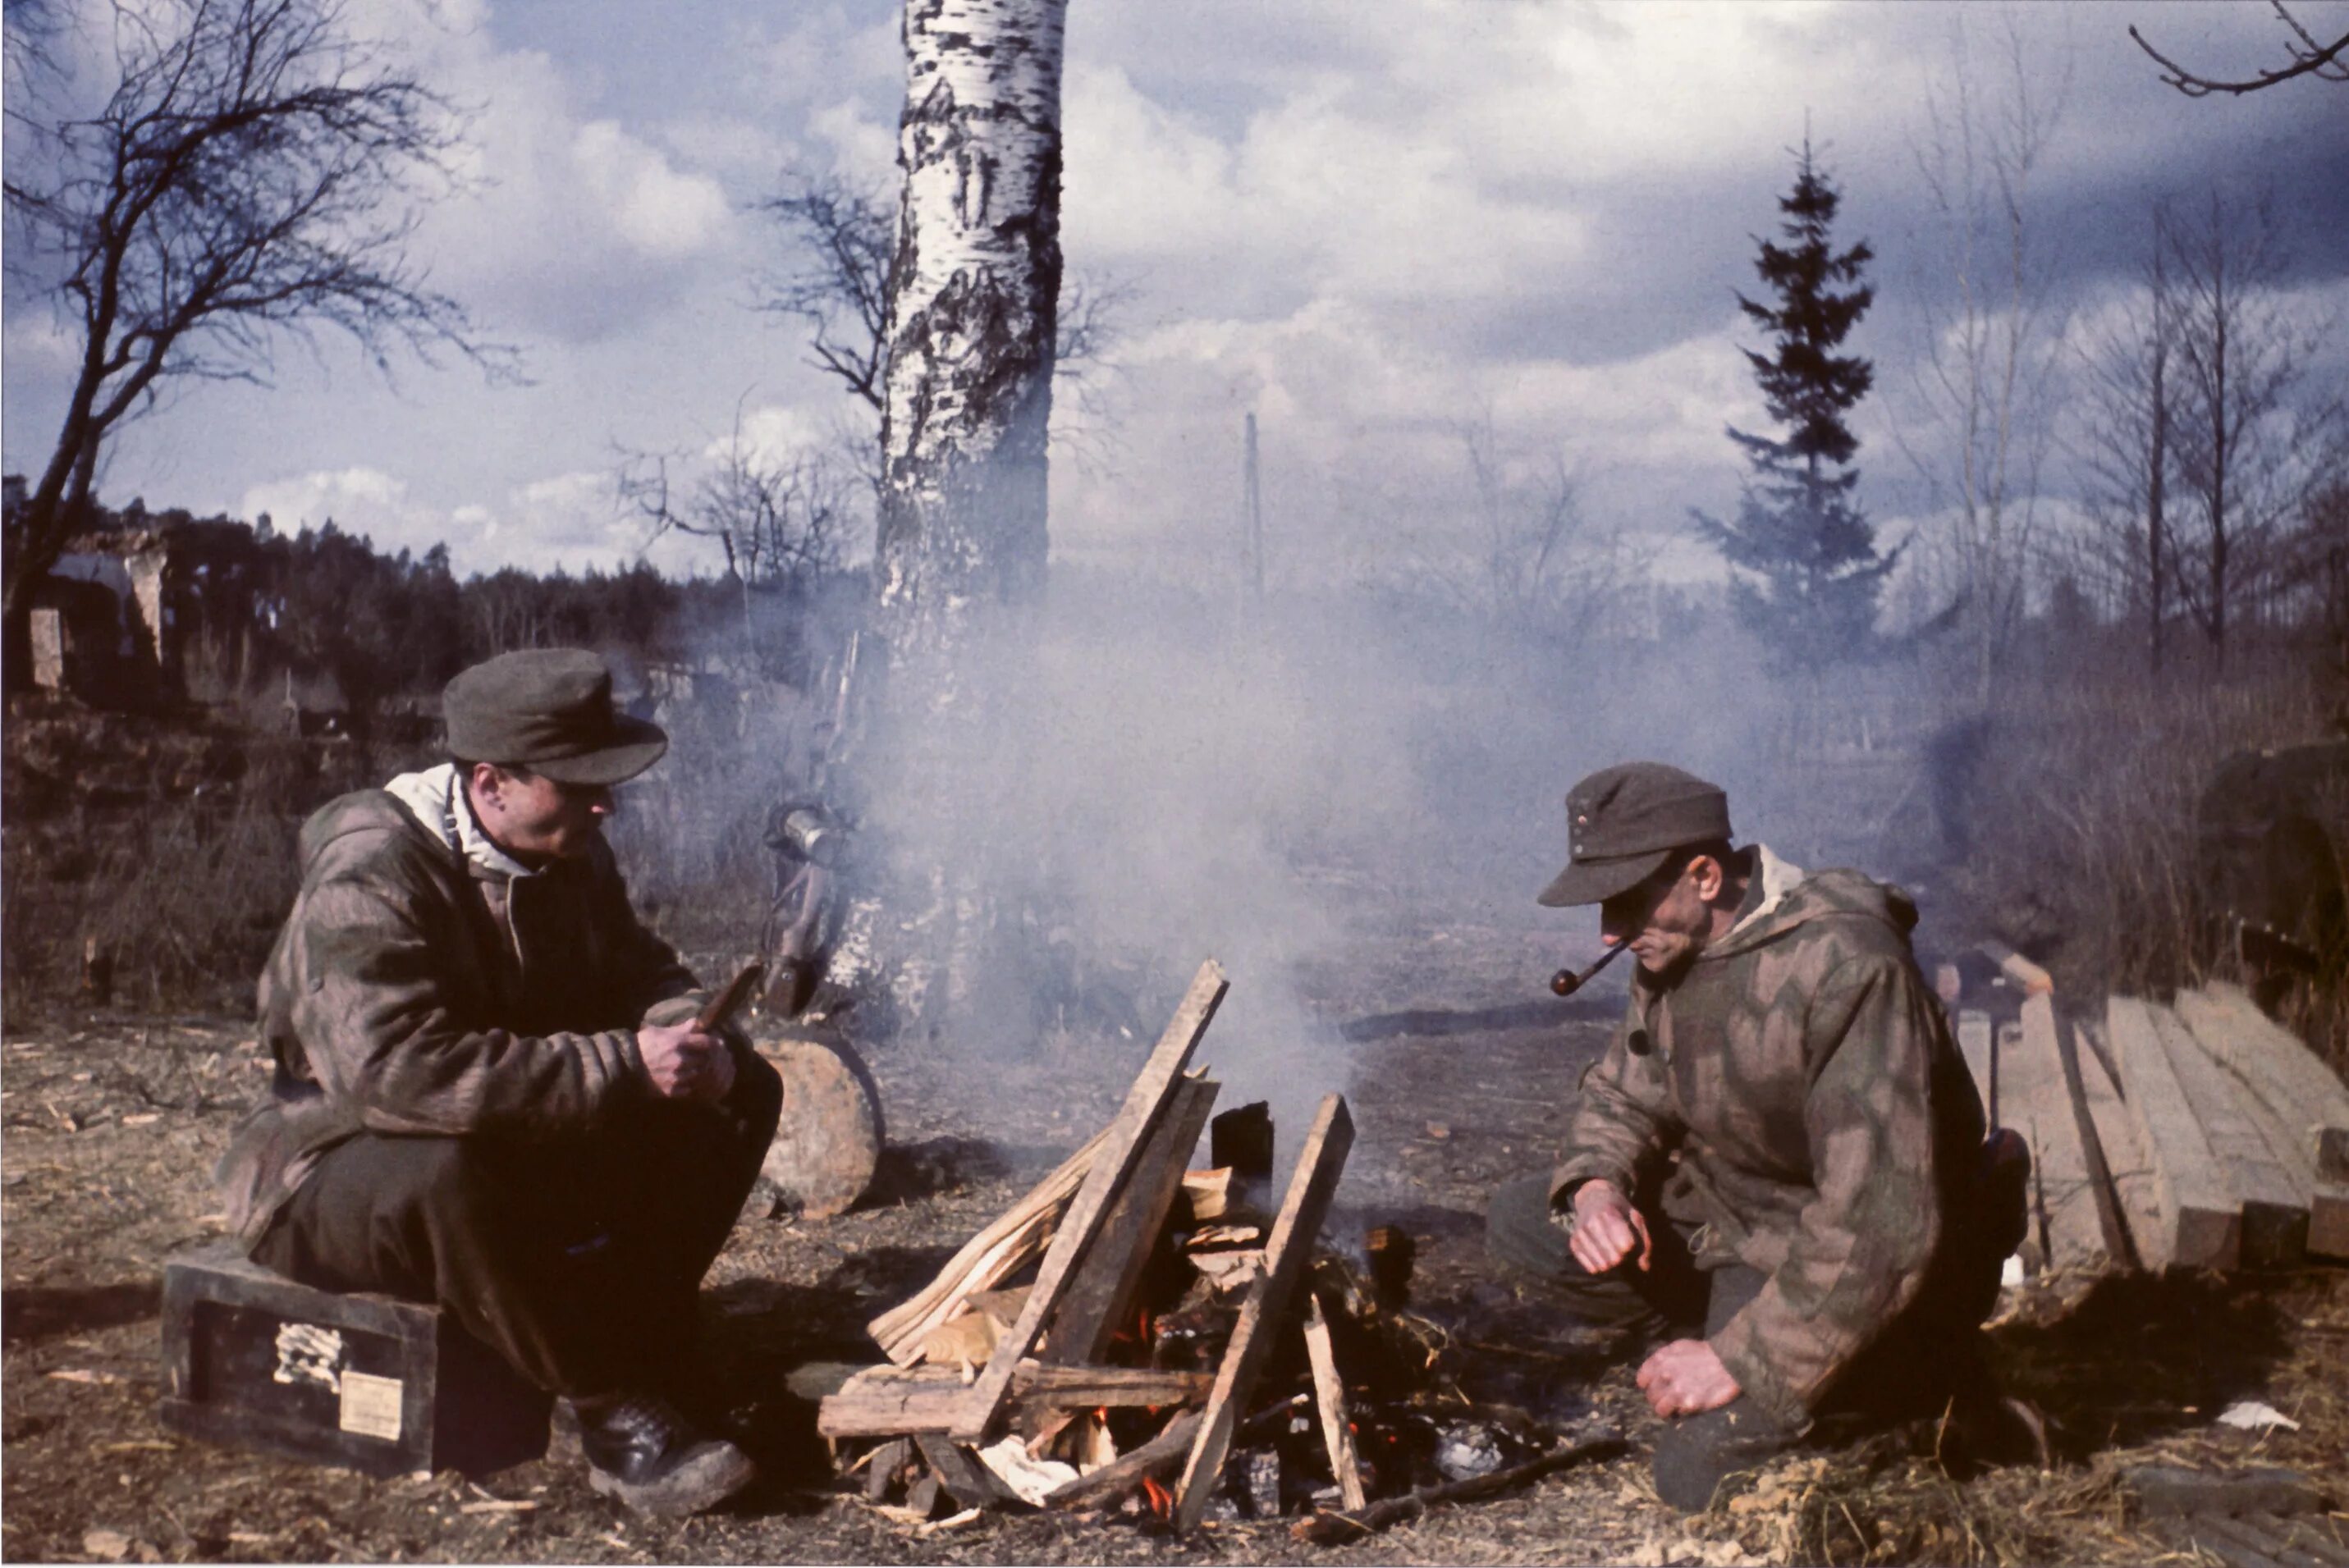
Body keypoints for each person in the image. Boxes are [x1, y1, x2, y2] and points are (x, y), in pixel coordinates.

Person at [216, 648, 783, 1516]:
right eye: (580, 781)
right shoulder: (374, 868)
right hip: (336, 1163)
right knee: (446, 1168)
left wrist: (685, 1025)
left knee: (745, 1090)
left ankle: (641, 1335)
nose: (607, 802)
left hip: (504, 1127)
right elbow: (397, 1076)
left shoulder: (567, 850)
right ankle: (607, 1411)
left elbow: (639, 969)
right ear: (490, 785)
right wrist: (624, 1065)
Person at [1486, 761, 2031, 1511]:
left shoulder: (1848, 967)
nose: (1608, 931)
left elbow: (1880, 1225)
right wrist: (1597, 1192)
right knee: (1524, 1221)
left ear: (1705, 876)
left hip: (1863, 1261)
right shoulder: (1676, 942)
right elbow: (1623, 1093)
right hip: (1743, 1226)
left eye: (1625, 900)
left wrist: (1739, 1356)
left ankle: (1911, 1385)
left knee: (1695, 1473)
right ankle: (1729, 1323)